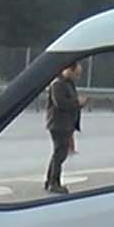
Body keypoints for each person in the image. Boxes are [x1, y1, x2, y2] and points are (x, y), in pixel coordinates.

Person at [45, 61, 84, 194]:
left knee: (59, 153)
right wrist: (77, 103)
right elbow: (60, 103)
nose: (77, 77)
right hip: (58, 124)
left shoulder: (68, 83)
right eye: (76, 74)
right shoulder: (58, 84)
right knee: (60, 154)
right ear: (69, 70)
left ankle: (50, 180)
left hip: (65, 124)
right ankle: (54, 183)